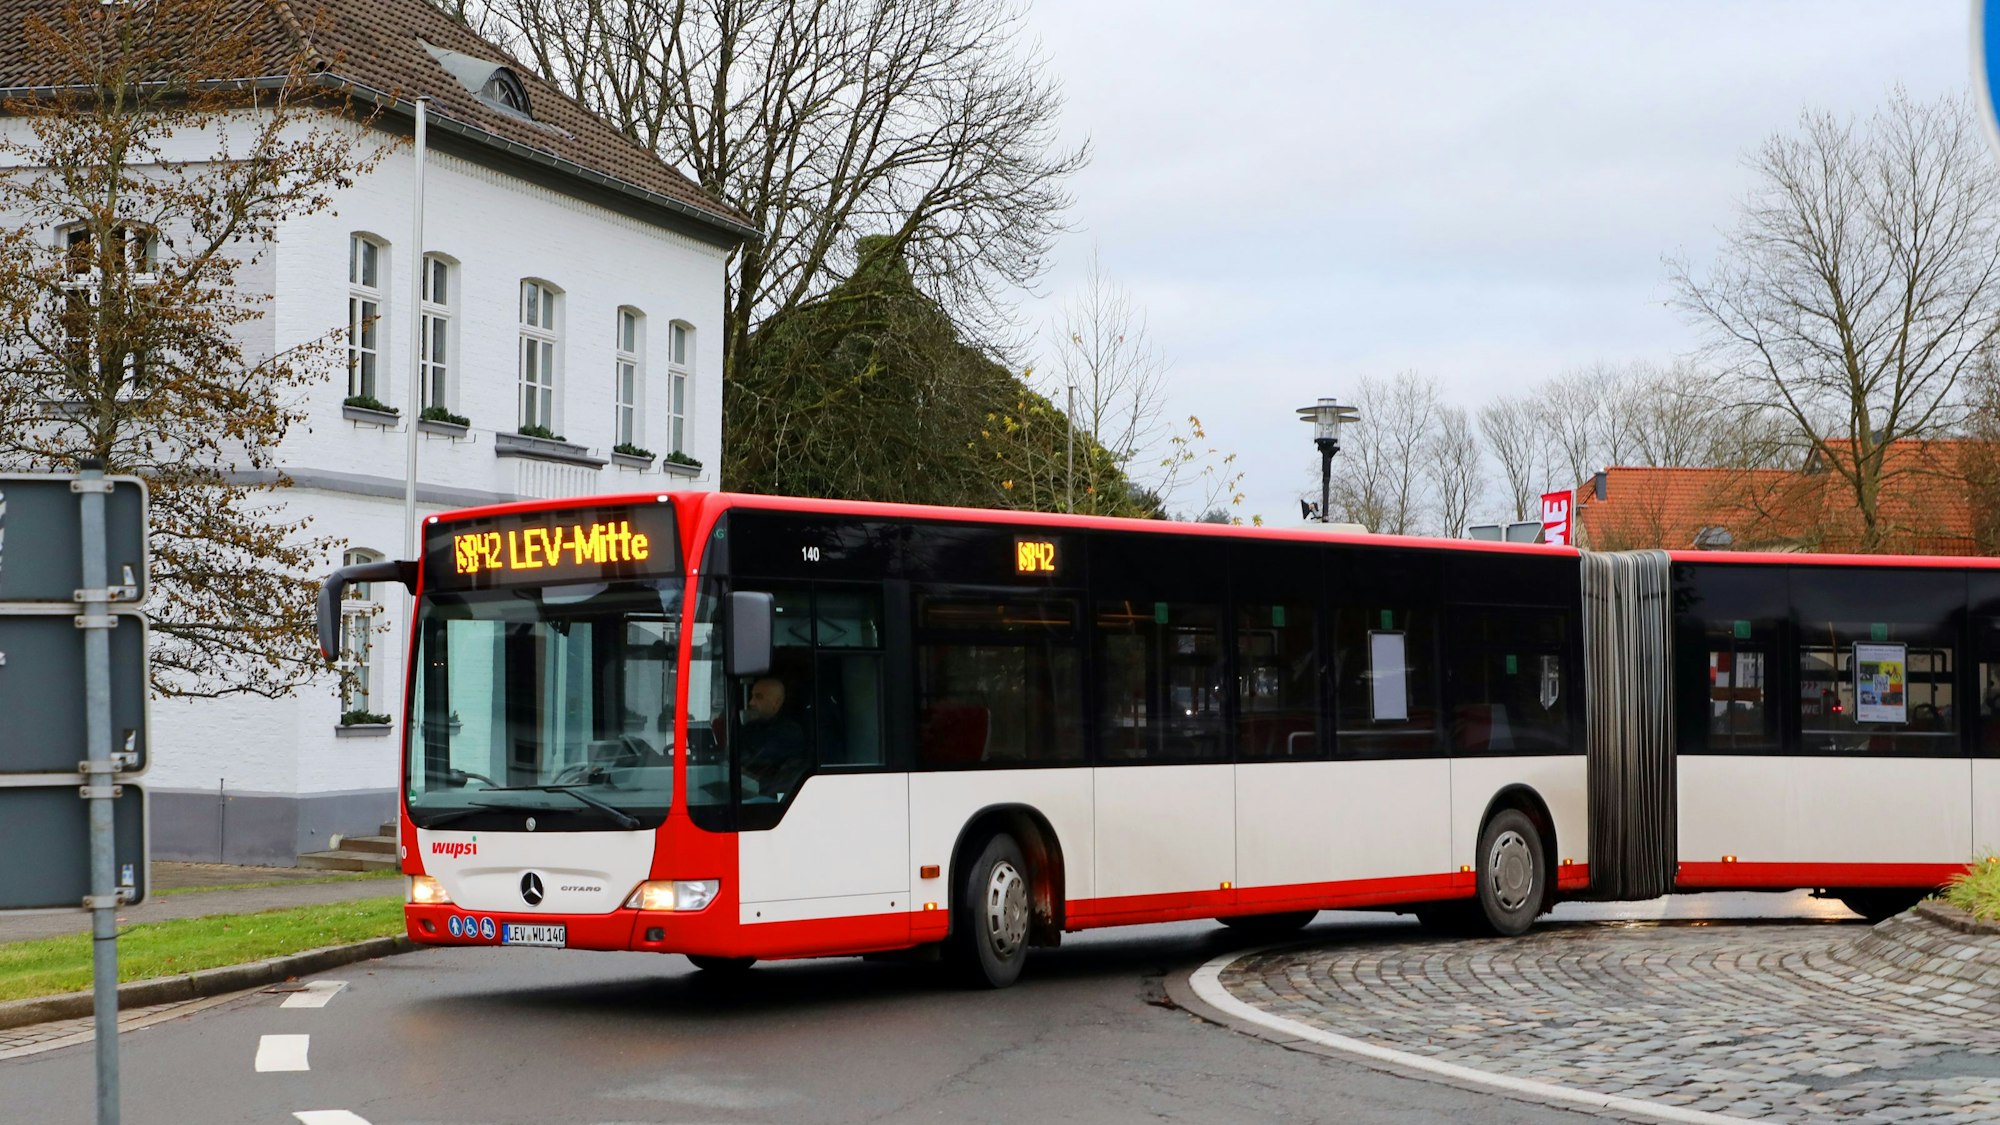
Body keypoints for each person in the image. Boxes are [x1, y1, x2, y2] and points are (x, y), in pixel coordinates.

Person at [739, 675, 808, 794]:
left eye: (759, 697)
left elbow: (761, 760)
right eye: (752, 696)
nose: (751, 703)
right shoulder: (751, 727)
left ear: (777, 703)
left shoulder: (789, 731)